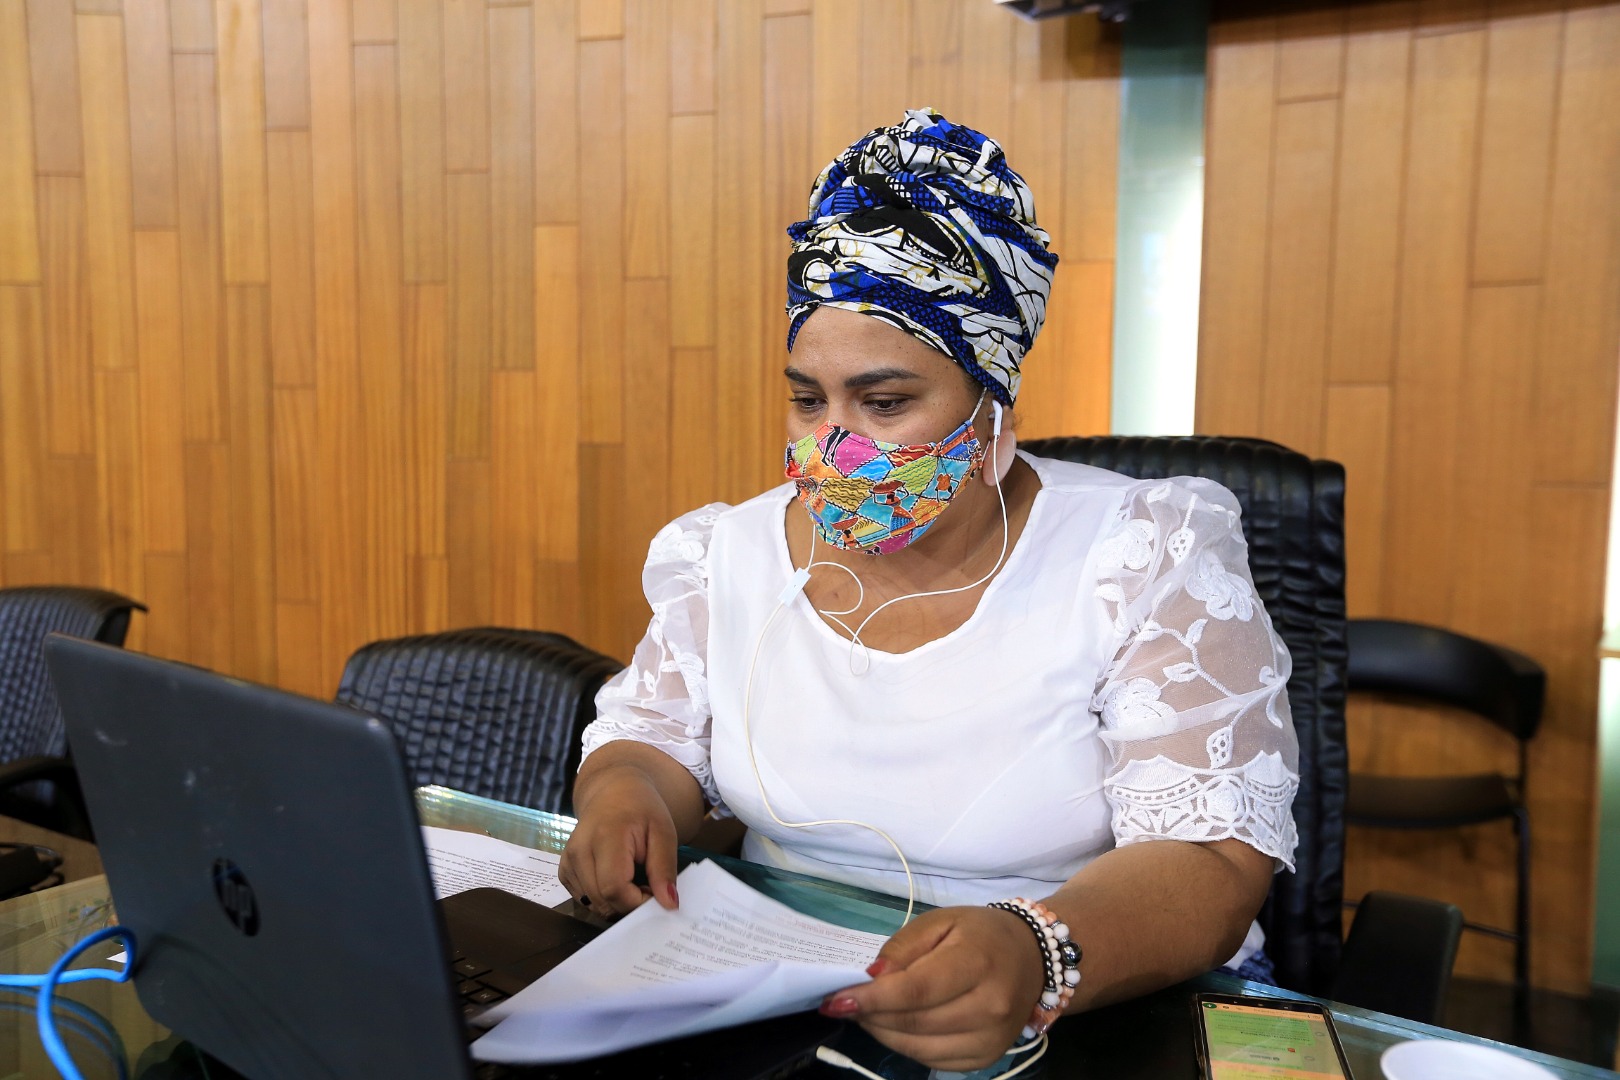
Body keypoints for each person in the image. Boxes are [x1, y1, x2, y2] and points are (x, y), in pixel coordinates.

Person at [558, 108, 1299, 1073]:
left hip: (1090, 1008)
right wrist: (625, 797)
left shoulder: (1141, 555)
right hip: (792, 997)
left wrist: (1037, 950)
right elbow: (652, 742)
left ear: (991, 405)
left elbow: (1213, 865)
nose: (834, 445)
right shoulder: (724, 555)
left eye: (885, 402)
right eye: (807, 400)